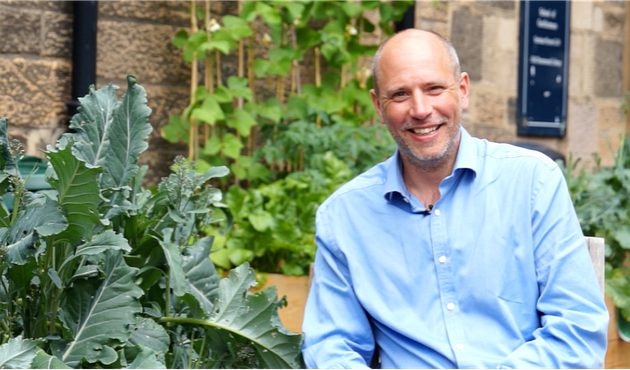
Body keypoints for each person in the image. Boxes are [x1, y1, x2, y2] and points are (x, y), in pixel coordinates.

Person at [301, 29, 609, 368]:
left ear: (462, 90)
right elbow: (331, 348)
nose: (420, 109)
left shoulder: (532, 182)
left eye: (434, 88)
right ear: (378, 105)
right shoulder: (345, 217)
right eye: (400, 94)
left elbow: (576, 330)